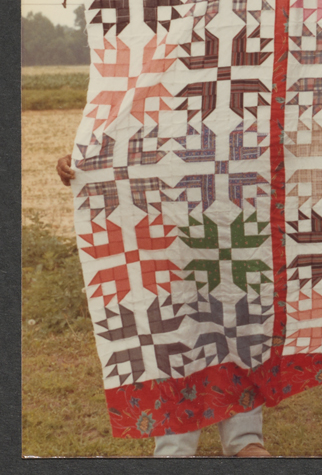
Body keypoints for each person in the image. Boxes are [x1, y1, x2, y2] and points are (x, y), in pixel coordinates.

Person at [57, 154, 272, 458]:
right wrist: (82, 160)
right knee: (169, 330)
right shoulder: (143, 106)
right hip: (158, 219)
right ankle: (175, 447)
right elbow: (115, 128)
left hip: (220, 208)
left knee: (235, 317)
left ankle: (244, 439)